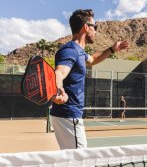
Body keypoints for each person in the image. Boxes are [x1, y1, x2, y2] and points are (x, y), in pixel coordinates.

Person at [50, 9, 129, 149]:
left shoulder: (80, 52)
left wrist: (111, 49)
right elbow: (59, 73)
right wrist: (58, 90)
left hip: (67, 115)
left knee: (71, 160)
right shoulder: (70, 50)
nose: (96, 31)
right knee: (81, 161)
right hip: (68, 115)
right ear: (86, 27)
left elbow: (92, 60)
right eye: (95, 27)